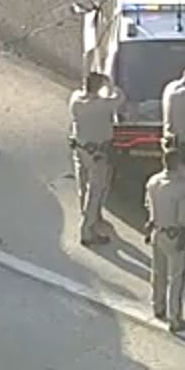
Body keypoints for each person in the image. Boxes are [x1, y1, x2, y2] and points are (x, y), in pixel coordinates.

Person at [144, 147, 185, 332]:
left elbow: (147, 204)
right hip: (174, 236)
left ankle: (157, 306)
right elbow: (184, 218)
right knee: (176, 278)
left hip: (157, 231)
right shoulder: (181, 188)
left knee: (158, 272)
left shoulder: (153, 181)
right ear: (179, 165)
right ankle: (175, 318)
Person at [68, 71, 124, 247]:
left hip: (80, 148)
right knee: (95, 191)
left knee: (83, 186)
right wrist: (110, 84)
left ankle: (90, 217)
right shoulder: (102, 105)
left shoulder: (75, 99)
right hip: (97, 153)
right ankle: (87, 230)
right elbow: (120, 98)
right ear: (99, 87)